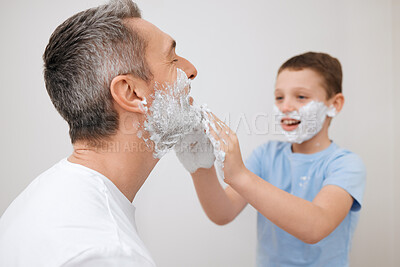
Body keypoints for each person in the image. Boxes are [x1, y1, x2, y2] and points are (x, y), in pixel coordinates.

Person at [0, 0, 198, 266]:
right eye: (173, 59)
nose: (191, 70)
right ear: (131, 93)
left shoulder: (40, 196)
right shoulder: (107, 252)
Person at [184, 52, 366, 267]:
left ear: (334, 104)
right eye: (279, 97)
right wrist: (199, 162)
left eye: (301, 97)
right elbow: (222, 213)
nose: (285, 106)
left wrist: (240, 175)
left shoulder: (345, 164)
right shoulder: (265, 155)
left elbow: (316, 227)